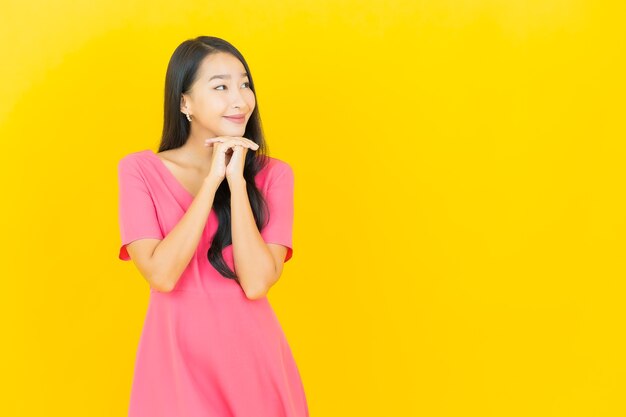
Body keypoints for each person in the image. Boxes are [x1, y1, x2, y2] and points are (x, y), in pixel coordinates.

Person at [116, 36, 309, 417]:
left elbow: (256, 283)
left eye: (244, 83)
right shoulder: (139, 170)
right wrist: (210, 182)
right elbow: (161, 275)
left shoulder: (274, 176)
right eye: (220, 86)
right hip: (174, 363)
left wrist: (236, 183)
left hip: (254, 363)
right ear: (184, 102)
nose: (240, 99)